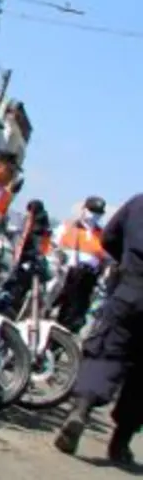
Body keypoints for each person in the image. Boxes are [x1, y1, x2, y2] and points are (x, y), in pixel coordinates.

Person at [55, 193, 143, 465]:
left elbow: (109, 238)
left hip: (129, 291)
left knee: (106, 353)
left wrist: (128, 263)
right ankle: (120, 443)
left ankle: (80, 410)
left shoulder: (139, 203)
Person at [51, 195, 111, 332]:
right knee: (59, 309)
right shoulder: (68, 227)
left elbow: (107, 260)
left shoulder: (102, 236)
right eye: (92, 211)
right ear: (83, 209)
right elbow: (53, 248)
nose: (94, 215)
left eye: (98, 213)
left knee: (76, 316)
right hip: (66, 276)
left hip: (88, 280)